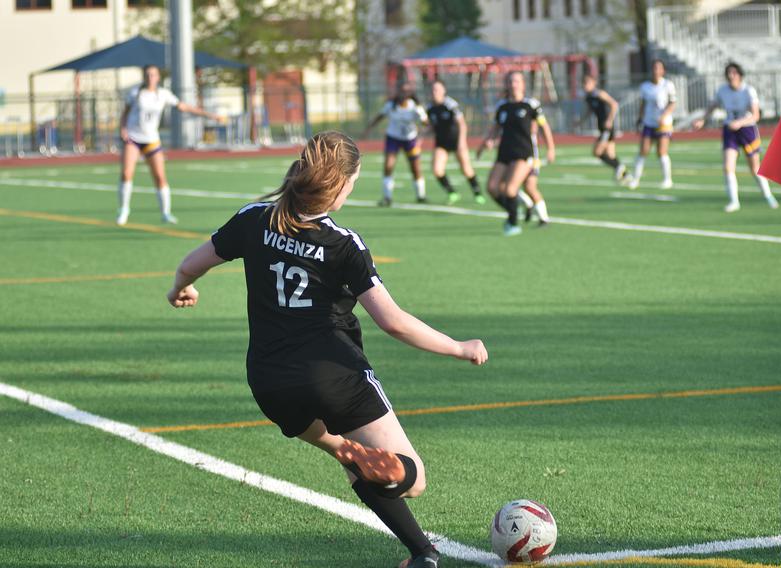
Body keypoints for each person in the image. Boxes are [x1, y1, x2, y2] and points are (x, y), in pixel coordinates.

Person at [166, 131, 488, 568]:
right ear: (338, 189)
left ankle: (422, 553)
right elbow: (392, 321)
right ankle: (392, 476)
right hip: (333, 376)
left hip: (269, 381)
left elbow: (190, 265)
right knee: (412, 479)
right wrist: (458, 347)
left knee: (351, 456)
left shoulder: (254, 219)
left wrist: (181, 289)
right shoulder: (343, 244)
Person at [116, 64, 224, 226]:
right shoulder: (135, 93)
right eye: (147, 75)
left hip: (152, 139)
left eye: (153, 75)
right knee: (126, 173)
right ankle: (124, 209)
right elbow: (125, 113)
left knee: (160, 177)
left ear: (158, 77)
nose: (150, 78)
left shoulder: (163, 94)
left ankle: (165, 213)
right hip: (133, 138)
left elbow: (184, 107)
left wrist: (210, 115)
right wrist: (123, 129)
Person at [477, 72, 556, 236]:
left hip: (524, 152)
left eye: (517, 81)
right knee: (492, 187)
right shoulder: (502, 106)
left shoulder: (531, 105)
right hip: (505, 152)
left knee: (512, 189)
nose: (514, 84)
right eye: (511, 81)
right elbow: (495, 129)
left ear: (523, 84)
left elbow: (543, 126)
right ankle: (517, 210)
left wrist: (550, 148)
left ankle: (513, 223)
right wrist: (488, 142)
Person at [693, 63, 779, 213]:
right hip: (730, 131)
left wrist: (739, 123)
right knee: (728, 167)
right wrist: (703, 119)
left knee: (754, 168)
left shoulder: (748, 91)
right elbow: (713, 106)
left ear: (740, 75)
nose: (731, 76)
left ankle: (768, 195)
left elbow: (756, 115)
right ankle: (734, 201)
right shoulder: (722, 90)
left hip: (747, 130)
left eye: (734, 73)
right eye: (728, 73)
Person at [363, 83, 429, 206]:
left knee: (415, 167)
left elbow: (426, 123)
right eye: (401, 91)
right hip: (393, 138)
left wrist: (423, 118)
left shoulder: (415, 106)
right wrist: (369, 129)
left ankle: (421, 195)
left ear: (410, 94)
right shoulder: (391, 105)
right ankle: (387, 197)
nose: (403, 94)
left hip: (410, 139)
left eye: (406, 91)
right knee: (388, 165)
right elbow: (380, 116)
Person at [425, 80, 485, 205]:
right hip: (441, 142)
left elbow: (462, 124)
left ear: (443, 91)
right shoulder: (430, 108)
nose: (434, 92)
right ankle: (452, 192)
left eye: (437, 89)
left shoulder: (450, 104)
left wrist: (462, 141)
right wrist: (421, 135)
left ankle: (477, 192)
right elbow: (431, 126)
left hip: (456, 140)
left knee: (466, 169)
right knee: (437, 170)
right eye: (432, 90)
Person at [625, 59, 675, 190]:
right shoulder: (645, 86)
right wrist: (639, 119)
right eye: (654, 68)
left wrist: (664, 116)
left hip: (664, 124)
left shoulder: (667, 85)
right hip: (649, 122)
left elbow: (672, 103)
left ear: (663, 70)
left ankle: (667, 179)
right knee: (643, 151)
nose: (656, 71)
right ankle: (635, 180)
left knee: (661, 151)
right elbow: (643, 104)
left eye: (659, 68)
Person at [581, 74, 627, 182]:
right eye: (583, 83)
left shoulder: (600, 93)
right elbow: (590, 111)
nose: (585, 85)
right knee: (610, 155)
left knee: (597, 152)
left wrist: (609, 120)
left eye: (587, 83)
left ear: (593, 83)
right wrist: (580, 122)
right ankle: (626, 176)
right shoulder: (588, 97)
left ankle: (619, 167)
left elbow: (614, 105)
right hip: (601, 128)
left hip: (607, 128)